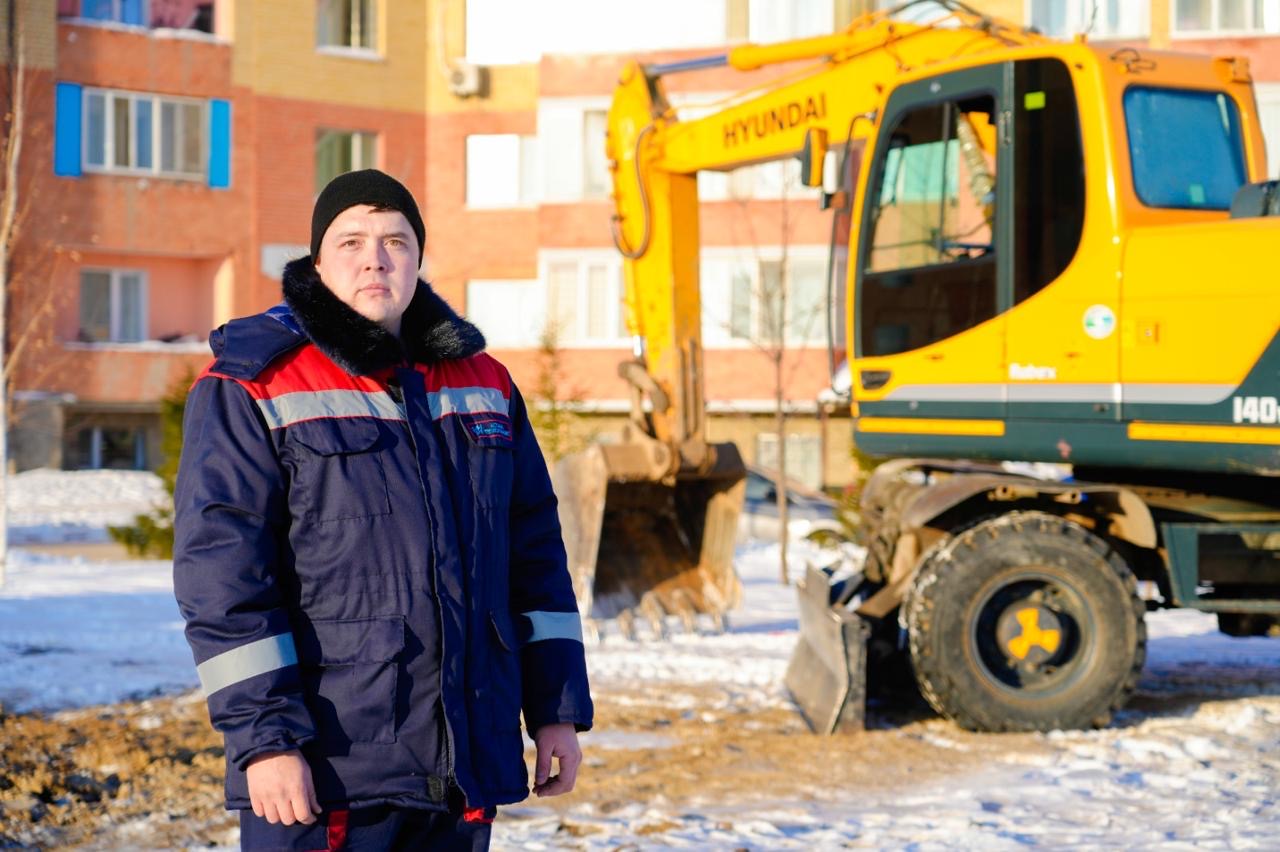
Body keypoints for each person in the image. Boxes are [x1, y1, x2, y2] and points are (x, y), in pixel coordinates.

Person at [173, 169, 593, 850]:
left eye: (396, 239)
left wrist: (555, 711)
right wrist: (266, 740)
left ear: (419, 258)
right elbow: (222, 581)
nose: (375, 257)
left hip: (463, 773)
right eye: (352, 241)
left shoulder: (485, 385)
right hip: (323, 777)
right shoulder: (254, 384)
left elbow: (536, 562)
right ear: (317, 262)